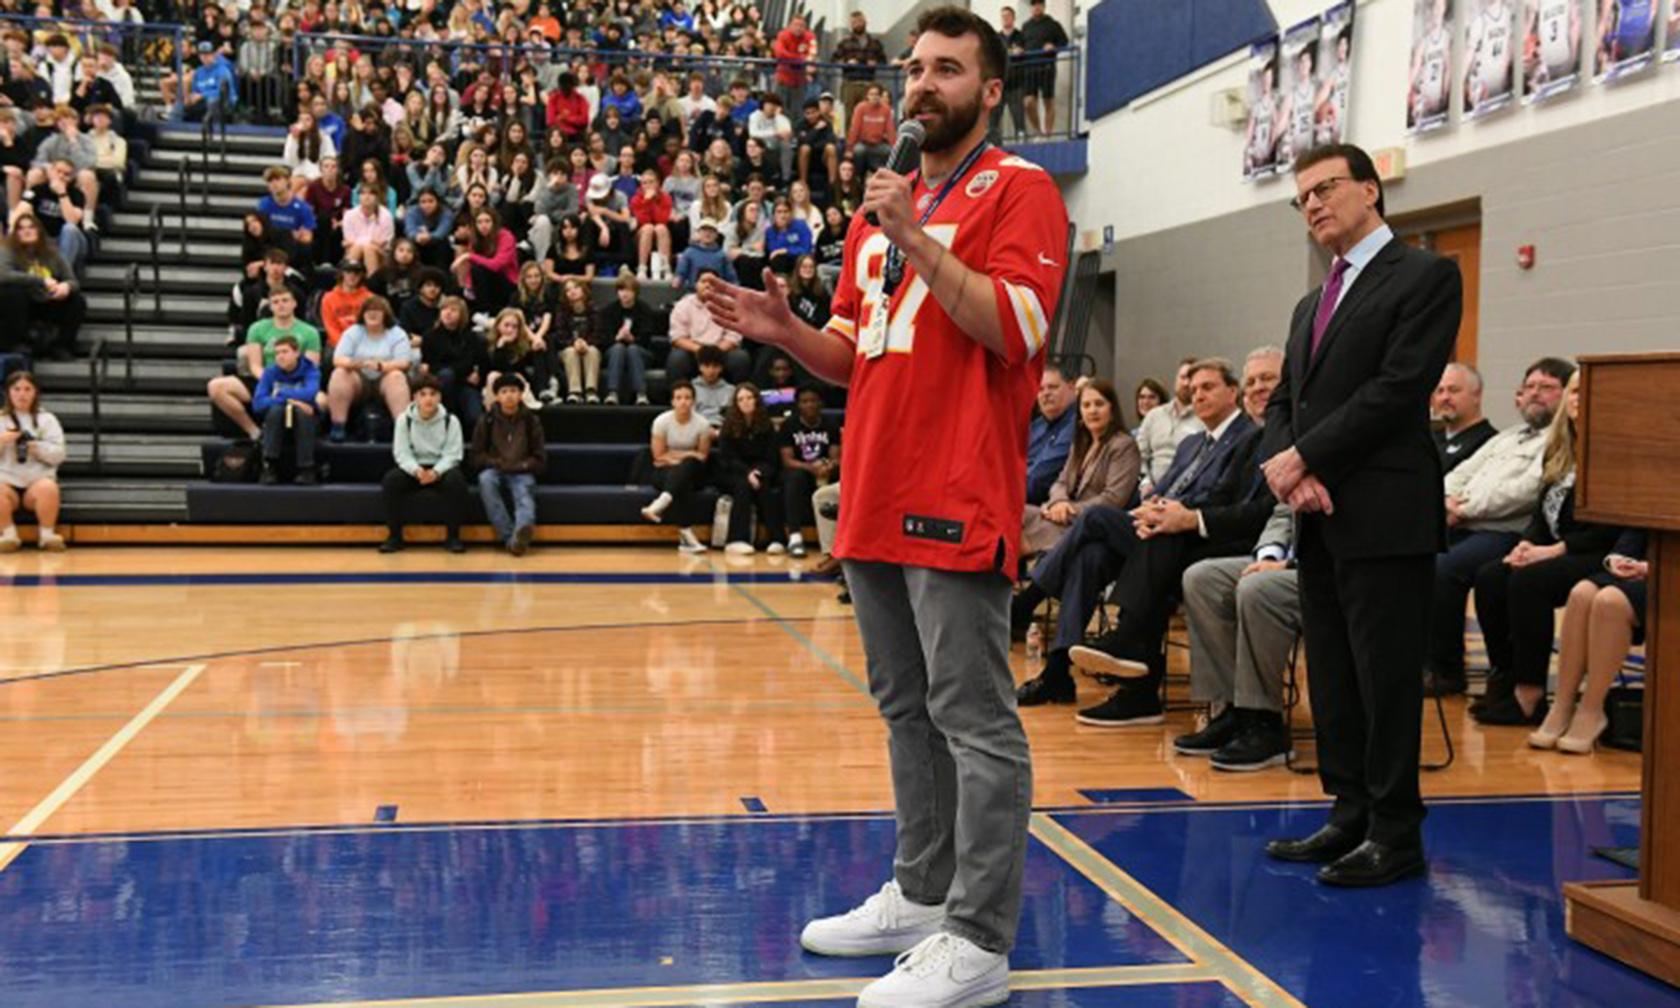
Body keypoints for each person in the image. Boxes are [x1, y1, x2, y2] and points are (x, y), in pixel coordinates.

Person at [699, 9, 1069, 1003]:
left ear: (991, 91)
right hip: (873, 486)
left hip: (956, 487)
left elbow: (1011, 329)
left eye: (945, 68)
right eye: (913, 68)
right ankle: (924, 888)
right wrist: (786, 331)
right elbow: (857, 353)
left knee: (974, 721)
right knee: (904, 708)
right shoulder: (875, 214)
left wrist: (918, 232)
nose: (920, 84)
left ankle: (981, 942)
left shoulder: (1021, 191)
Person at [1257, 143, 1462, 888]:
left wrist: (1307, 457)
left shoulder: (1426, 274)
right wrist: (1291, 471)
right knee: (1335, 676)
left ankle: (1396, 832)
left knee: (1385, 679)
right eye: (1301, 196)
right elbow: (1284, 403)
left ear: (1370, 190)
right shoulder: (1312, 301)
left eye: (1326, 188)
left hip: (1384, 507)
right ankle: (1348, 812)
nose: (1312, 203)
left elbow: (1399, 387)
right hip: (1319, 511)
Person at [1065, 357, 1280, 727]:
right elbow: (1166, 493)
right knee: (1099, 551)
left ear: (1233, 393)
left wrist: (1181, 518)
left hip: (1233, 539)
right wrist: (1152, 513)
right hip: (1185, 532)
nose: (1197, 395)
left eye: (1208, 387)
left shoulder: (1254, 437)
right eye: (1193, 389)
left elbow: (1245, 507)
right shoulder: (1194, 442)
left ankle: (1127, 662)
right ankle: (1120, 676)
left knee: (1117, 526)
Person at [1471, 371, 1622, 726]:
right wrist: (1528, 542)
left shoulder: (1613, 452)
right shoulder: (1561, 448)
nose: (1576, 399)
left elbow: (1609, 528)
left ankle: (1531, 693)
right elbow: (1542, 512)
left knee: (1529, 582)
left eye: (1585, 392)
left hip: (1597, 552)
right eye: (1572, 391)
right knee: (1492, 576)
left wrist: (1554, 551)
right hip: (1556, 547)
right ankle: (1504, 677)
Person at [1425, 357, 1571, 697]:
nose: (1535, 394)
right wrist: (1443, 500)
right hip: (1464, 521)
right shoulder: (1508, 437)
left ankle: (1446, 671)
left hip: (1504, 531)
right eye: (1530, 386)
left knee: (1444, 569)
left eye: (1547, 388)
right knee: (1412, 554)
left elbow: (1528, 490)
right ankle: (1417, 659)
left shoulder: (1559, 441)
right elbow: (1461, 473)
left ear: (1566, 395)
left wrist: (1464, 509)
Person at [1174, 501, 1301, 770]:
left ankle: (1264, 722)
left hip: (1332, 565)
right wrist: (1268, 557)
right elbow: (1283, 513)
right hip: (1285, 559)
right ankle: (1231, 712)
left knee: (1257, 589)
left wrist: (1290, 563)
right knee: (1203, 578)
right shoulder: (1303, 462)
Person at [1530, 529, 1647, 754]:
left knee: (1609, 601)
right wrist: (1619, 558)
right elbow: (1639, 525)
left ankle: (1591, 709)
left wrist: (1647, 568)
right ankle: (1562, 705)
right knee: (1581, 594)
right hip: (1642, 566)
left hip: (1669, 568)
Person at [1022, 378, 1139, 556]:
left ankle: (1019, 580)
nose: (1092, 411)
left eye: (1099, 404)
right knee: (1014, 514)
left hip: (1086, 523)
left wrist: (1069, 510)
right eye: (1086, 405)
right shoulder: (1080, 443)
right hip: (1060, 514)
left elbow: (1113, 499)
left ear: (1112, 410)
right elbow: (1060, 482)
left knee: (1020, 538)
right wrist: (1059, 502)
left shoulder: (1123, 445)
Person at [382, 375, 468, 554]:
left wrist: (436, 472)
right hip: (415, 468)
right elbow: (401, 452)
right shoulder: (403, 420)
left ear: (440, 397)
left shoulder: (450, 421)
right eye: (423, 394)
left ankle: (453, 538)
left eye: (433, 394)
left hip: (441, 467)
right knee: (391, 481)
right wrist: (417, 471)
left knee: (456, 481)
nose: (428, 398)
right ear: (415, 398)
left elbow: (453, 454)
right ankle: (394, 537)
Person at [471, 373, 545, 557]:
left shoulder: (531, 421)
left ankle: (521, 531)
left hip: (522, 469)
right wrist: (497, 463)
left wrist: (523, 465)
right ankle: (510, 538)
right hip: (496, 469)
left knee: (524, 495)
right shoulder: (486, 420)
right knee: (485, 481)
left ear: (521, 394)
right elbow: (477, 456)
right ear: (497, 396)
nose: (509, 395)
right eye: (504, 391)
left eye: (514, 391)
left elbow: (540, 457)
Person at [0, 212, 85, 362]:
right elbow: (4, 275)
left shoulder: (52, 253)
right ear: (15, 233)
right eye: (21, 228)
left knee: (77, 301)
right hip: (22, 305)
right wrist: (41, 280)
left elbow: (73, 281)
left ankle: (61, 346)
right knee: (12, 293)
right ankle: (16, 344)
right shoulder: (8, 251)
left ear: (39, 231)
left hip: (46, 300)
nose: (27, 231)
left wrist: (66, 287)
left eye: (31, 227)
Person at [327, 294, 413, 442]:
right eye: (368, 311)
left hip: (385, 378)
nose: (372, 314)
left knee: (397, 376)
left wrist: (381, 366)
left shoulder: (397, 334)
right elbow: (338, 359)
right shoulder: (353, 332)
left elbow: (404, 362)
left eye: (377, 311)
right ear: (362, 314)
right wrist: (354, 364)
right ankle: (338, 425)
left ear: (385, 314)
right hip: (359, 380)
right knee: (339, 373)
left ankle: (402, 429)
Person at [641, 379, 712, 553]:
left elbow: (702, 457)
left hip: (694, 472)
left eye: (687, 398)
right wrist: (688, 454)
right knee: (682, 480)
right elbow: (658, 456)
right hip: (664, 472)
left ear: (693, 401)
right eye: (679, 398)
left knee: (687, 467)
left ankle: (659, 505)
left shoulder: (703, 424)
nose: (683, 402)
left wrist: (675, 456)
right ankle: (686, 536)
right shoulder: (661, 421)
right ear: (672, 401)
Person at [714, 382, 786, 555]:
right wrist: (747, 473)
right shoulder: (728, 426)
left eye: (749, 398)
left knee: (765, 486)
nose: (745, 402)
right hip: (731, 472)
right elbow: (727, 458)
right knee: (743, 486)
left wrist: (757, 472)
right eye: (740, 399)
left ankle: (777, 539)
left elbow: (771, 458)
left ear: (756, 400)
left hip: (759, 470)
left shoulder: (766, 425)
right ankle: (736, 540)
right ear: (736, 404)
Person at [0, 371, 66, 552]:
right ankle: (8, 534)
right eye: (17, 389)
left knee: (48, 488)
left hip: (37, 481)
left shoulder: (48, 420)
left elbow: (59, 455)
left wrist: (37, 448)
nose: (22, 394)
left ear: (35, 392)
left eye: (28, 389)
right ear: (9, 393)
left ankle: (47, 535)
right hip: (6, 481)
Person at [779, 383, 839, 559]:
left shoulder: (830, 424)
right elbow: (787, 460)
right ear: (798, 405)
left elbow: (836, 456)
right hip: (801, 469)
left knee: (840, 475)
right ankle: (795, 536)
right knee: (794, 478)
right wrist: (810, 467)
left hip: (823, 468)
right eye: (805, 401)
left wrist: (828, 465)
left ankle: (837, 540)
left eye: (813, 400)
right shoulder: (789, 425)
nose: (810, 405)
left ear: (820, 403)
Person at [252, 335, 321, 485]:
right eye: (277, 353)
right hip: (277, 419)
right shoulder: (270, 372)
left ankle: (306, 468)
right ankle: (269, 466)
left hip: (304, 419)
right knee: (276, 410)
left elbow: (310, 393)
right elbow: (258, 403)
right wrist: (293, 400)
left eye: (285, 352)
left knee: (303, 412)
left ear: (297, 353)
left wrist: (281, 393)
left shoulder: (310, 370)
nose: (280, 357)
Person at [1134, 357, 1202, 495]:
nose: (1186, 383)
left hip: (1183, 493)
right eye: (1183, 377)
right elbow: (1139, 455)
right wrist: (1145, 482)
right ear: (1176, 379)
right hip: (1147, 490)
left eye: (1191, 379)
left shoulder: (1205, 419)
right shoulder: (1154, 415)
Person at [668, 272, 751, 382]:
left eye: (712, 282)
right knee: (677, 358)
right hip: (693, 351)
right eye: (703, 282)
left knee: (740, 358)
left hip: (721, 351)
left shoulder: (728, 304)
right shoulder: (683, 305)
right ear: (696, 284)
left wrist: (714, 352)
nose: (707, 285)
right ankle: (679, 396)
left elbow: (733, 337)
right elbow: (677, 337)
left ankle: (739, 396)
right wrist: (701, 350)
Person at [421, 295, 487, 430]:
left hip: (466, 386)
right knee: (446, 374)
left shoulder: (472, 337)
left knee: (475, 416)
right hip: (442, 386)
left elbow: (475, 361)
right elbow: (432, 366)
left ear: (462, 314)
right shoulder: (430, 337)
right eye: (445, 309)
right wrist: (463, 373)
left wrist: (462, 371)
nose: (448, 313)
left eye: (453, 310)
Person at [597, 273, 658, 405]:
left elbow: (647, 338)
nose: (625, 294)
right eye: (621, 290)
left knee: (632, 349)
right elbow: (603, 339)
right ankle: (612, 392)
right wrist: (616, 338)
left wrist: (632, 339)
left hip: (641, 352)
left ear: (635, 292)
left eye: (629, 290)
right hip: (614, 352)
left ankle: (641, 393)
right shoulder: (609, 311)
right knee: (618, 348)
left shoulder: (644, 310)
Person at [1431, 362, 1497, 472]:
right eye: (1440, 391)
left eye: (1453, 390)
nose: (1445, 397)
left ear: (1476, 395)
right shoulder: (1430, 439)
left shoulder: (1490, 443)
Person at [1025, 364, 1077, 506]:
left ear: (1072, 387)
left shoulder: (1078, 424)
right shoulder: (1036, 426)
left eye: (1053, 387)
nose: (1046, 393)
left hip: (1052, 506)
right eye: (1040, 389)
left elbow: (1038, 480)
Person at [1018, 0, 1069, 135]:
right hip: (1029, 68)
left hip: (1047, 66)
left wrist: (1053, 47)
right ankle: (1038, 131)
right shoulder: (1026, 26)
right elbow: (1020, 44)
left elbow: (1064, 41)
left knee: (1048, 101)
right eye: (1034, 5)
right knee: (1028, 102)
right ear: (1031, 7)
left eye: (1039, 4)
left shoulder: (1053, 24)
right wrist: (1018, 50)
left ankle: (1048, 133)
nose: (1037, 7)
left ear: (1044, 6)